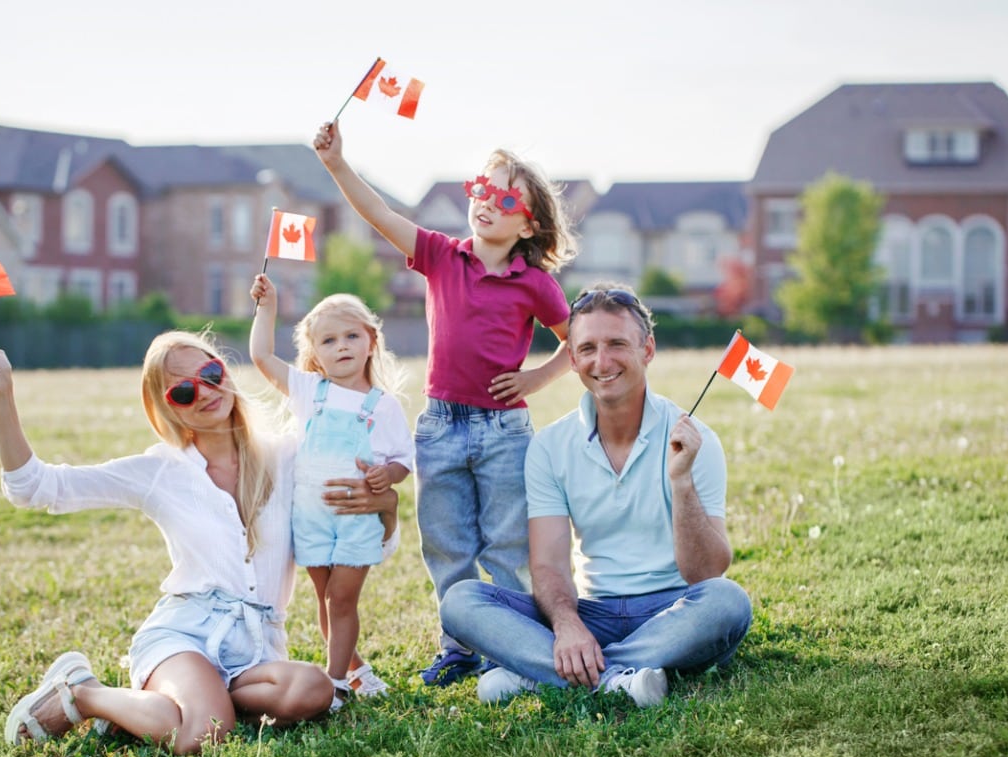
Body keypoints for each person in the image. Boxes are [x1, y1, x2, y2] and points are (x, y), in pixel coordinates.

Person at [0, 329, 400, 755]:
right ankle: (83, 692)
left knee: (314, 689)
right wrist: (2, 392)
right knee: (204, 735)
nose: (206, 392)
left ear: (226, 373)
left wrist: (387, 504)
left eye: (210, 373)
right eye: (183, 392)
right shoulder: (163, 471)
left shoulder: (290, 456)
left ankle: (171, 708)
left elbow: (364, 546)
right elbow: (32, 487)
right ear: (166, 409)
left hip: (256, 650)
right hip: (185, 636)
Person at [313, 120, 577, 686]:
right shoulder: (440, 255)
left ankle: (513, 651)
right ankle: (459, 647)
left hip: (504, 430)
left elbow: (577, 342)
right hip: (440, 426)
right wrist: (337, 165)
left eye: (506, 198)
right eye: (482, 187)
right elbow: (381, 215)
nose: (487, 201)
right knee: (448, 546)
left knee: (507, 546)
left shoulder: (534, 283)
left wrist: (536, 380)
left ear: (527, 223)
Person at [438, 284, 753, 707]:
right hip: (592, 612)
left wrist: (682, 482)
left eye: (617, 344)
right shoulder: (551, 446)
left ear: (648, 349)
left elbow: (706, 572)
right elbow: (548, 561)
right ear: (572, 359)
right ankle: (619, 679)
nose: (601, 362)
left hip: (674, 610)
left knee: (728, 602)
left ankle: (551, 675)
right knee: (461, 600)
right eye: (587, 348)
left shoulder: (696, 439)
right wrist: (567, 625)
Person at [249, 274, 413, 700]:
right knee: (325, 601)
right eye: (329, 341)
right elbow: (262, 355)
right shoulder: (308, 392)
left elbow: (403, 461)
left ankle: (336, 683)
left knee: (343, 600)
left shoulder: (383, 405)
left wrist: (387, 476)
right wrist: (267, 308)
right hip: (311, 516)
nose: (342, 346)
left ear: (371, 341)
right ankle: (354, 671)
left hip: (356, 518)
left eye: (351, 336)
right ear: (315, 356)